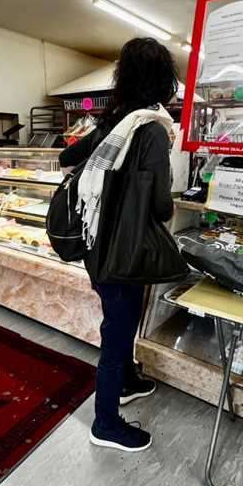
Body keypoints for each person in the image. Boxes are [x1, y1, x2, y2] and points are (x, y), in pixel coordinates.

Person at [59, 37, 178, 453]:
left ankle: (126, 381)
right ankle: (105, 422)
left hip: (97, 246)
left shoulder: (113, 123)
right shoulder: (152, 130)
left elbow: (64, 159)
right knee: (117, 331)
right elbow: (161, 205)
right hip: (127, 251)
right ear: (165, 80)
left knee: (119, 320)